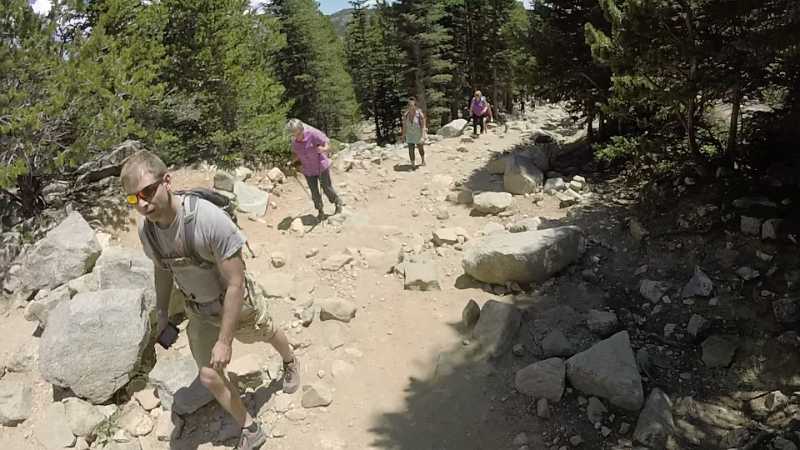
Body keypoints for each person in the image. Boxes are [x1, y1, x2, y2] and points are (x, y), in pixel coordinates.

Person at [121, 150, 300, 450]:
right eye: (132, 198)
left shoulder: (208, 220)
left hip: (234, 301)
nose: (142, 203)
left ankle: (290, 360)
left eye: (147, 192)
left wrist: (226, 341)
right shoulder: (147, 231)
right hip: (198, 309)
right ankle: (249, 427)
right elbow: (162, 269)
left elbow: (236, 282)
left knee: (266, 331)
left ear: (167, 181)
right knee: (208, 374)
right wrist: (162, 311)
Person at [286, 119, 343, 221]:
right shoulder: (294, 142)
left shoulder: (313, 133)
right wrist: (291, 162)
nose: (297, 136)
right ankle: (320, 210)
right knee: (314, 192)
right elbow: (297, 154)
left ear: (302, 129)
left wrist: (323, 149)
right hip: (308, 170)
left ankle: (337, 201)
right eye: (294, 134)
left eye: (298, 133)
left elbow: (327, 142)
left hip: (321, 166)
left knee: (326, 187)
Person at [400, 97, 427, 168]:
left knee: (420, 148)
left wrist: (423, 136)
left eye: (412, 105)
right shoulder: (406, 115)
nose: (411, 107)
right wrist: (403, 136)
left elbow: (423, 126)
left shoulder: (419, 114)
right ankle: (413, 164)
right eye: (409, 105)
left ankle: (423, 160)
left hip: (418, 134)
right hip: (409, 134)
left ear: (415, 105)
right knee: (411, 149)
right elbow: (404, 126)